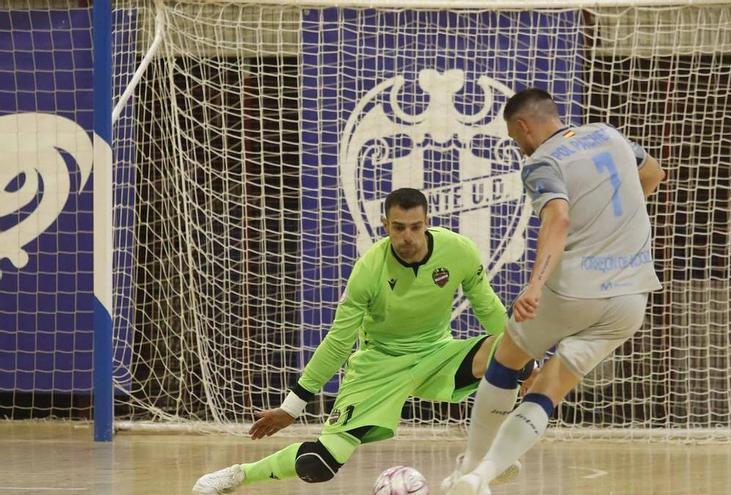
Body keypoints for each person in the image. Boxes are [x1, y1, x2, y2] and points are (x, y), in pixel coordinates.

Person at [193, 187, 529, 494]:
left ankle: (479, 460)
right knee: (319, 464)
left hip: (436, 354)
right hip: (378, 364)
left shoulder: (459, 252)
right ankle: (238, 475)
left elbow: (490, 310)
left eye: (415, 226)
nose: (407, 236)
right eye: (398, 227)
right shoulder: (368, 271)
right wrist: (292, 406)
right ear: (384, 225)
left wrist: (526, 367)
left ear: (428, 222)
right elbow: (338, 343)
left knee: (513, 347)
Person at [444, 88, 665, 495]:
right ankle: (483, 477)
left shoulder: (543, 162)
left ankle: (470, 466)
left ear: (523, 126)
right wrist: (613, 230)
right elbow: (653, 175)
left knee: (507, 360)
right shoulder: (609, 134)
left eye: (515, 139)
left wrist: (535, 285)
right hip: (631, 297)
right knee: (551, 386)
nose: (519, 148)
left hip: (573, 291)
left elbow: (559, 219)